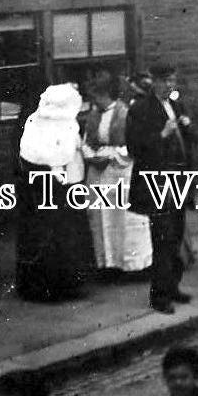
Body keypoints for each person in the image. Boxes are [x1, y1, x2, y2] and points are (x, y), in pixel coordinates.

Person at [127, 62, 195, 314]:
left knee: (176, 236)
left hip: (178, 181)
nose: (169, 85)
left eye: (172, 80)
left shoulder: (177, 105)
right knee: (162, 239)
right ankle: (159, 296)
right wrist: (162, 135)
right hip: (157, 184)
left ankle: (173, 287)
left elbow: (189, 142)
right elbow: (134, 146)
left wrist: (187, 128)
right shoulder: (141, 109)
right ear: (153, 82)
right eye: (165, 80)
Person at [16, 83, 91, 302]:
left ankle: (46, 285)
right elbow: (63, 155)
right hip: (61, 188)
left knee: (45, 236)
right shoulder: (62, 125)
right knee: (63, 237)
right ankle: (63, 285)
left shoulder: (35, 122)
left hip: (43, 188)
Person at [82, 70, 153, 275]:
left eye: (96, 96)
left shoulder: (124, 113)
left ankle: (131, 264)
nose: (94, 101)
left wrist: (111, 155)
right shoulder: (93, 115)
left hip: (120, 173)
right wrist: (91, 154)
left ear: (106, 94)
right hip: (98, 174)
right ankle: (107, 262)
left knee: (123, 219)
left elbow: (131, 145)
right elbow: (86, 141)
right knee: (101, 218)